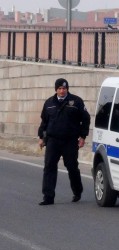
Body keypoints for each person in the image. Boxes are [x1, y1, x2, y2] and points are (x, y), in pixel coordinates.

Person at [37, 78, 91, 206]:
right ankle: (48, 197)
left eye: (64, 88)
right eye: (60, 88)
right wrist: (41, 137)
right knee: (49, 167)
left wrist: (83, 137)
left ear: (67, 89)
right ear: (56, 89)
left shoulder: (76, 101)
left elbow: (86, 119)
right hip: (53, 140)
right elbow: (44, 122)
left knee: (72, 166)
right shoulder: (49, 103)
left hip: (70, 141)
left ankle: (77, 191)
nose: (62, 91)